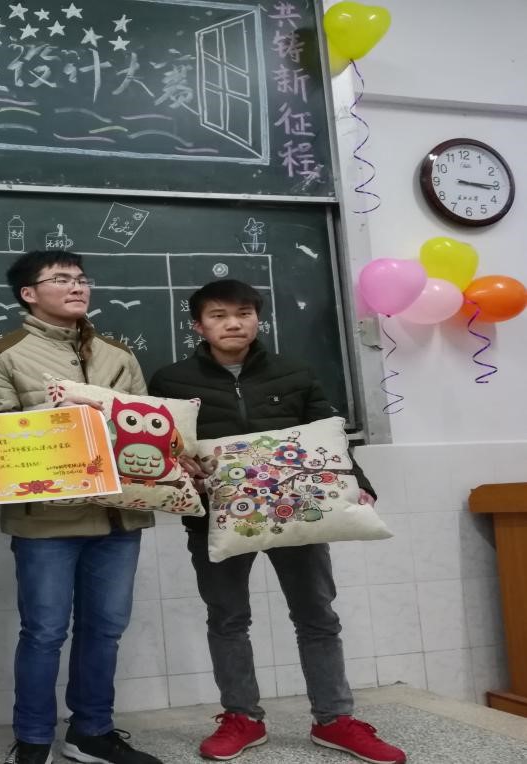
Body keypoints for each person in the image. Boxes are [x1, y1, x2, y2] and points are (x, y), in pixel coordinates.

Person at [147, 279, 405, 764]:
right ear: (197, 325)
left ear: (257, 319)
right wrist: (183, 472)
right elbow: (164, 449)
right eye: (219, 315)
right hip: (217, 518)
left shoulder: (295, 372)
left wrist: (358, 483)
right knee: (228, 619)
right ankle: (242, 717)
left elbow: (330, 436)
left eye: (243, 313)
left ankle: (334, 719)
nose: (233, 323)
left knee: (317, 617)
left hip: (298, 513)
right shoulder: (170, 381)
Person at [0, 250, 163, 764]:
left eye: (81, 279)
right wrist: (62, 413)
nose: (78, 287)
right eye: (61, 279)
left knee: (106, 628)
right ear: (28, 294)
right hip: (47, 521)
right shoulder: (2, 354)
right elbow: (0, 440)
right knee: (44, 632)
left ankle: (91, 731)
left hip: (119, 514)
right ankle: (34, 739)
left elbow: (147, 428)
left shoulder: (118, 354)